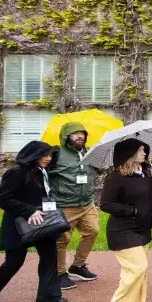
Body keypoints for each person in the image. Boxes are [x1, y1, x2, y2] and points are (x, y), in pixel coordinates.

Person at [0, 141, 65, 302]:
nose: (48, 158)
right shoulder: (15, 172)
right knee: (13, 263)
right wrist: (29, 210)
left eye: (50, 155)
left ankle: (48, 297)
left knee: (50, 258)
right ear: (32, 155)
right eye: (44, 155)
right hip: (18, 225)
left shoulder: (44, 172)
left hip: (43, 224)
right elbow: (2, 198)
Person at [99, 139, 152, 302]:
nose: (144, 153)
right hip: (122, 230)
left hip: (143, 229)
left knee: (140, 271)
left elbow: (148, 198)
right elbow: (106, 204)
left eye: (144, 150)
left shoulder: (143, 175)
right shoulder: (115, 177)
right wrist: (132, 211)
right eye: (140, 150)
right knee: (137, 267)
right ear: (129, 154)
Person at [49, 122, 100, 291]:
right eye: (75, 133)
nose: (80, 136)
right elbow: (42, 175)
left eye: (82, 133)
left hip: (87, 204)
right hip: (65, 205)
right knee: (61, 240)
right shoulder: (55, 154)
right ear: (66, 136)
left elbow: (97, 172)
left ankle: (77, 266)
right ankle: (60, 273)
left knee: (92, 231)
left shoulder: (90, 152)